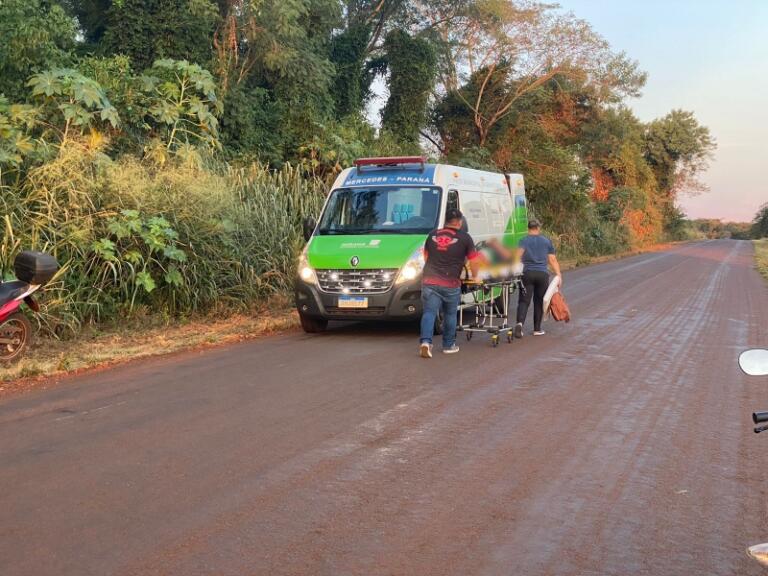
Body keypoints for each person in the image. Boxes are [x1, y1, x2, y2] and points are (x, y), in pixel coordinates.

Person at [419, 208, 481, 358]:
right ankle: (448, 345)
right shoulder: (465, 237)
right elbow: (474, 260)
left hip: (430, 280)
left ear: (445, 221)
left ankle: (426, 342)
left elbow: (425, 256)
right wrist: (476, 276)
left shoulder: (432, 234)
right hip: (450, 283)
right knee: (450, 314)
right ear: (460, 222)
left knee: (429, 312)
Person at [514, 219, 562, 338]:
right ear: (538, 228)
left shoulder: (523, 241)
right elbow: (552, 259)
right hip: (542, 274)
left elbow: (517, 256)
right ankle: (537, 329)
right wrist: (559, 274)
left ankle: (519, 324)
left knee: (524, 301)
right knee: (539, 301)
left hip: (527, 274)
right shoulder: (546, 241)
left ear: (528, 228)